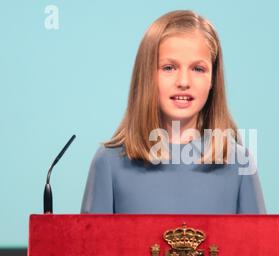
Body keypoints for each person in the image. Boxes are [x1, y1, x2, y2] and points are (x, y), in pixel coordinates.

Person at [81, 10, 266, 214]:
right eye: (169, 68)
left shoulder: (239, 163)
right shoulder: (108, 162)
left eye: (198, 69)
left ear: (213, 79)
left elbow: (256, 245)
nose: (184, 82)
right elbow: (91, 245)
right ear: (147, 75)